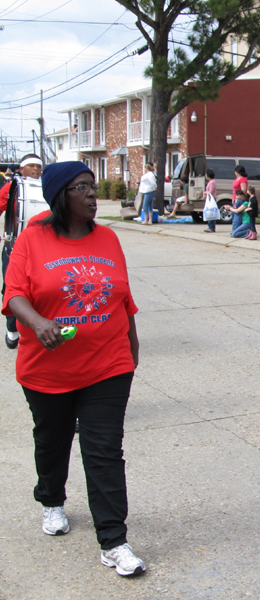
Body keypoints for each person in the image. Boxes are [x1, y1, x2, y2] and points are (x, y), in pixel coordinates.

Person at [1, 161, 145, 577]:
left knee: (104, 451)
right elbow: (13, 296)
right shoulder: (32, 241)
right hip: (47, 369)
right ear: (61, 195)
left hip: (108, 364)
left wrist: (131, 350)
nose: (91, 194)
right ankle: (51, 499)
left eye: (92, 186)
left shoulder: (109, 238)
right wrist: (38, 322)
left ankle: (114, 541)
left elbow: (121, 296)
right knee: (52, 439)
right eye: (81, 187)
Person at [1, 153, 43, 350]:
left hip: (42, 247)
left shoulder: (48, 187)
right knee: (12, 289)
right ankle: (12, 329)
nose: (35, 170)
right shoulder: (12, 188)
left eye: (39, 166)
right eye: (31, 166)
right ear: (22, 169)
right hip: (15, 246)